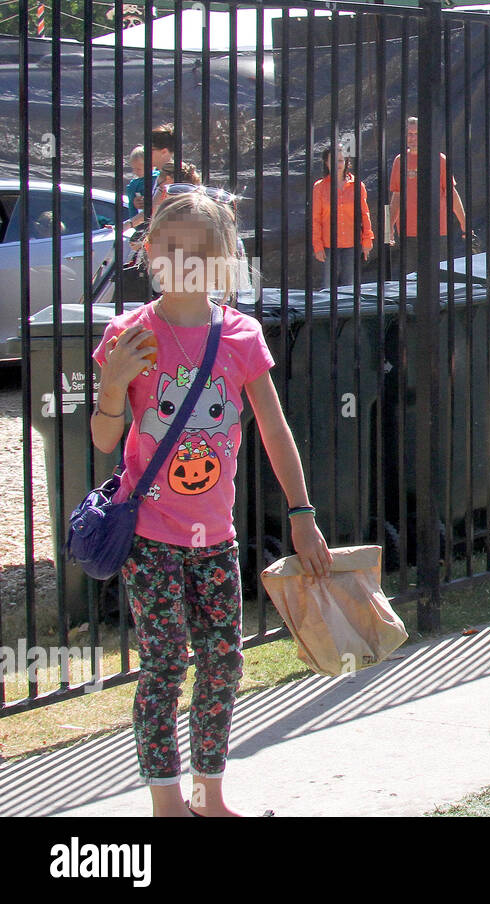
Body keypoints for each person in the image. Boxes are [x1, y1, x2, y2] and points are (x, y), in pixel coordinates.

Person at [90, 188, 332, 817]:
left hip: (214, 539)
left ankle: (209, 798)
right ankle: (166, 805)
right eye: (171, 249)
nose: (184, 262)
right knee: (165, 666)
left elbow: (275, 430)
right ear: (149, 252)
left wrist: (303, 515)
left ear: (224, 260)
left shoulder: (240, 336)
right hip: (149, 536)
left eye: (200, 252)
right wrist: (113, 385)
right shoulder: (129, 333)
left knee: (223, 666)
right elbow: (103, 438)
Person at [387, 116, 467, 276]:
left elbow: (452, 194)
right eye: (409, 134)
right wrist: (387, 228)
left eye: (416, 134)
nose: (413, 138)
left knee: (438, 277)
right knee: (411, 279)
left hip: (436, 230)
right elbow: (396, 197)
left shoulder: (440, 159)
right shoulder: (399, 161)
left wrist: (464, 222)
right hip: (408, 231)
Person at [313, 144, 374, 290]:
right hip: (328, 244)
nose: (337, 164)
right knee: (327, 286)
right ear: (326, 163)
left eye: (341, 160)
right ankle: (328, 312)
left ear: (347, 162)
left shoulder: (357, 186)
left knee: (349, 287)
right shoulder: (319, 187)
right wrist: (317, 245)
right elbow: (316, 219)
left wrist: (367, 240)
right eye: (333, 160)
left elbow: (365, 215)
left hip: (352, 244)